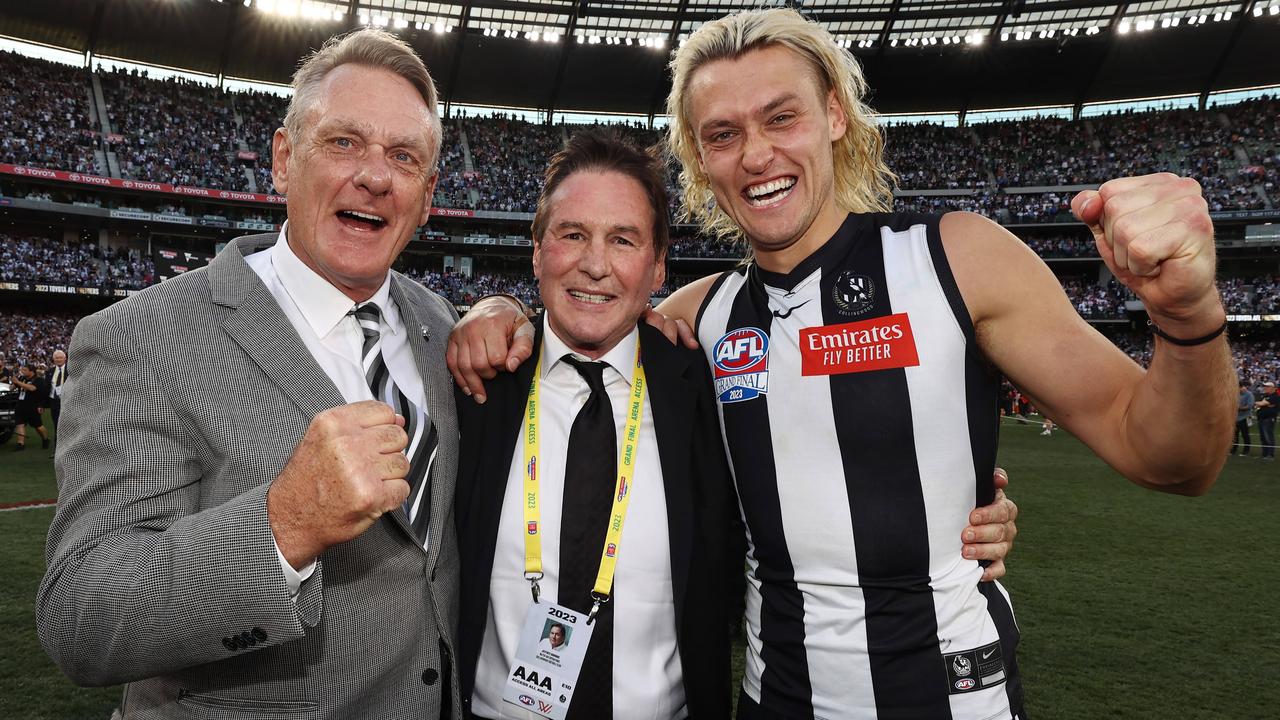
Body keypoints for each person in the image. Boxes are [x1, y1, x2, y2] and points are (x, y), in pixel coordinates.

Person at [448, 8, 1234, 719]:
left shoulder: (956, 259)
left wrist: (1186, 316)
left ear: (833, 115)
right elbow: (587, 320)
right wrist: (501, 314)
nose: (756, 155)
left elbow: (1171, 458)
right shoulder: (701, 319)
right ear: (701, 159)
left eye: (780, 117)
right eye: (722, 135)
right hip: (773, 699)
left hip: (954, 699)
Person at [455, 133, 1019, 720]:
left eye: (623, 240)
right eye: (572, 235)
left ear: (657, 269)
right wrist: (494, 306)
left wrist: (963, 511)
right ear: (537, 250)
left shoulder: (702, 386)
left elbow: (815, 462)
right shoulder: (478, 384)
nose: (595, 264)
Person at [38, 29, 462, 718]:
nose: (375, 176)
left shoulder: (442, 326)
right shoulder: (139, 336)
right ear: (283, 159)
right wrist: (283, 523)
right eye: (344, 142)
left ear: (427, 193)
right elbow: (82, 614)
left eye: (404, 157)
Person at [11, 362, 49, 450]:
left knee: (37, 426)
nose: (22, 371)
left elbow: (32, 388)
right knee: (19, 424)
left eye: (25, 370)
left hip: (32, 406)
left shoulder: (38, 380)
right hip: (21, 404)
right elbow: (11, 388)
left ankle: (45, 439)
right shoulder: (22, 378)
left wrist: (18, 382)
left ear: (31, 371)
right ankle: (21, 444)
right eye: (22, 369)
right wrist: (14, 382)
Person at [47, 348, 67, 445]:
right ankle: (57, 447)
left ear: (65, 358)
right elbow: (46, 388)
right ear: (53, 359)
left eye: (60, 358)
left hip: (67, 401)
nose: (58, 359)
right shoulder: (50, 371)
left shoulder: (70, 370)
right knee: (56, 424)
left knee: (68, 423)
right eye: (56, 358)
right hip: (54, 401)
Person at [1254, 380, 1277, 460]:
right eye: (1265, 386)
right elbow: (1259, 405)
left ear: (1273, 388)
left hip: (1268, 419)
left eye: (1267, 387)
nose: (1265, 388)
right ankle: (1264, 454)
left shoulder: (1275, 396)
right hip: (1261, 419)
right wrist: (1262, 404)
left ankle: (1270, 455)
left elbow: (1261, 404)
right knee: (1263, 437)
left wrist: (1260, 403)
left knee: (1268, 437)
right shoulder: (1265, 396)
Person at [1234, 380, 1254, 456]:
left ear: (1241, 387)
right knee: (1235, 435)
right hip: (1236, 418)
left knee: (1245, 434)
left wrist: (1238, 408)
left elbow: (1249, 406)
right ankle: (1233, 450)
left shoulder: (1249, 394)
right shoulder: (1236, 394)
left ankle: (1246, 451)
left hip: (1245, 417)